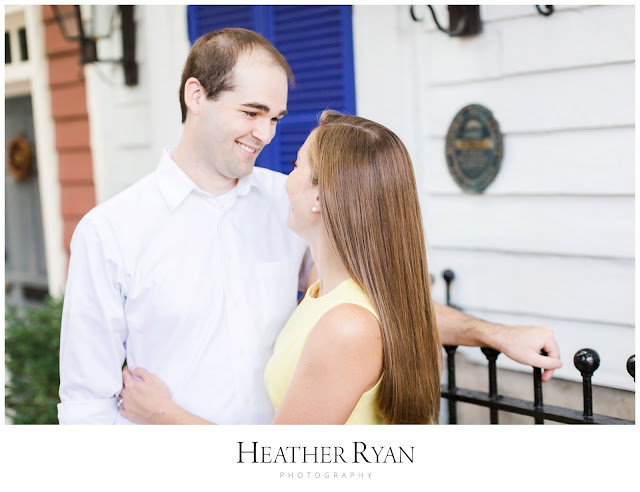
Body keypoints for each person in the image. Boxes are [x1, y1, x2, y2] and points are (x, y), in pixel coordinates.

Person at [58, 28, 561, 425]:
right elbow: (86, 403)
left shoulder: (293, 201)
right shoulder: (111, 231)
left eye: (275, 118)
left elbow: (378, 305)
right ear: (196, 94)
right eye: (252, 112)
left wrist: (493, 333)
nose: (265, 134)